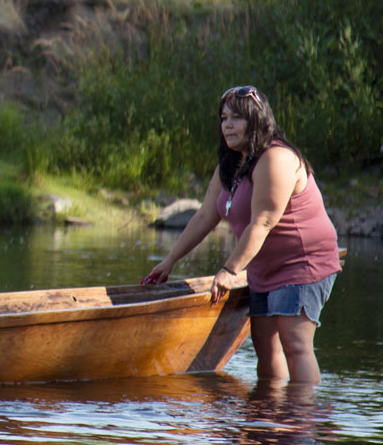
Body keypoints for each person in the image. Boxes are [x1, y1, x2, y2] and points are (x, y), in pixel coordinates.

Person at [143, 85, 341, 383]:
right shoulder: (231, 164)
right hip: (262, 267)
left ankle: (301, 420)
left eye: (237, 118)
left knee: (295, 345)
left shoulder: (277, 158)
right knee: (265, 348)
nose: (228, 125)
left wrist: (228, 270)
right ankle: (267, 420)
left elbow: (262, 222)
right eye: (224, 118)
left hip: (302, 264)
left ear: (257, 121)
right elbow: (204, 216)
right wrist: (169, 260)